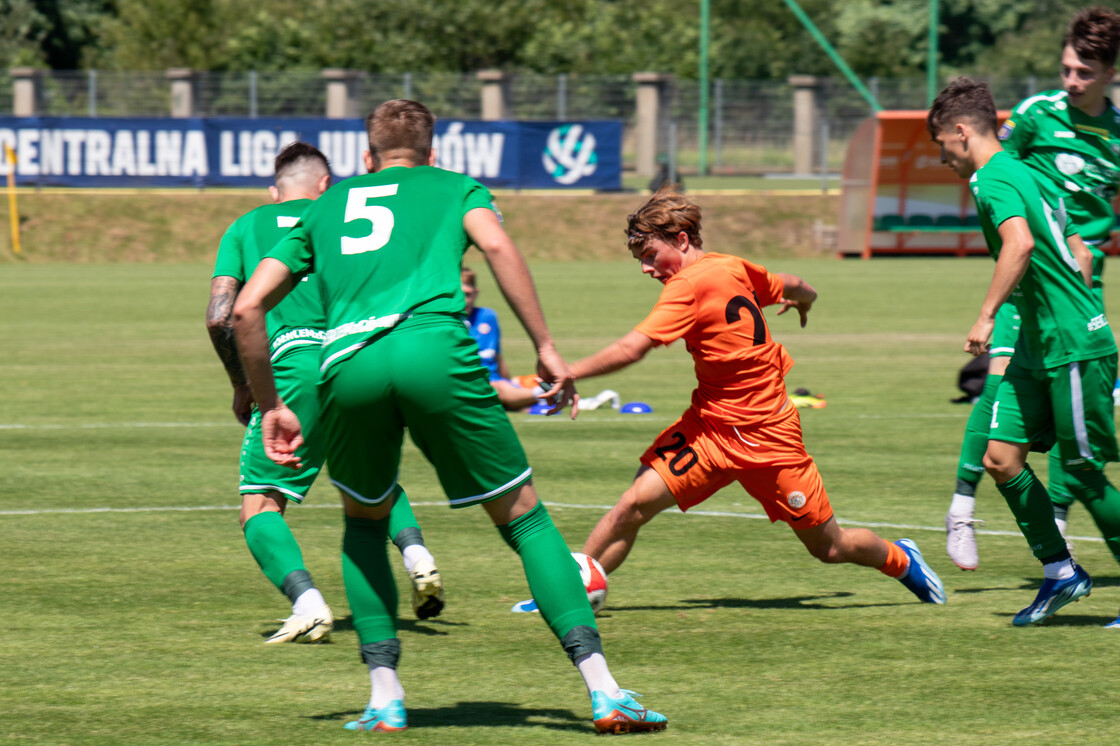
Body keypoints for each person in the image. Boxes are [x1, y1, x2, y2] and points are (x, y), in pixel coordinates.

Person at [230, 100, 666, 734]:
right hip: (436, 350)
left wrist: (270, 405)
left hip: (347, 367)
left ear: (364, 157)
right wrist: (545, 345)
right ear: (432, 155)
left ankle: (385, 698)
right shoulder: (455, 187)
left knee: (362, 525)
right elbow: (497, 245)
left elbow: (245, 310)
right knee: (524, 518)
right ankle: (604, 692)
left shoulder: (327, 207)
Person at [568, 186, 947, 608]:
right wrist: (807, 299)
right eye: (639, 260)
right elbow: (792, 284)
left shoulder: (686, 286)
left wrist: (570, 371)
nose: (645, 268)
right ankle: (567, 593)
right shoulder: (730, 266)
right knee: (631, 506)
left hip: (769, 437)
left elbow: (631, 348)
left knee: (830, 548)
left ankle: (901, 559)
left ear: (681, 240)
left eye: (650, 256)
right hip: (708, 431)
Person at [206, 142, 444, 644]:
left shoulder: (247, 226)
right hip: (356, 360)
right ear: (325, 185)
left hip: (292, 366)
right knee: (366, 477)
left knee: (260, 504)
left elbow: (220, 314)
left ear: (276, 190)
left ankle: (308, 604)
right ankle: (417, 554)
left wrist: (241, 384)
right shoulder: (337, 216)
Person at [927, 76, 1118, 626]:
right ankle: (1061, 572)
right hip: (1042, 343)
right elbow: (1078, 248)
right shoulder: (1029, 170)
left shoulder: (992, 180)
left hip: (1072, 344)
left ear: (961, 133)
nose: (942, 158)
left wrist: (989, 315)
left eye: (941, 144)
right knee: (1001, 458)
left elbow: (1021, 243)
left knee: (1081, 473)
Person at [460, 265, 544, 411]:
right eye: (459, 294)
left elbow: (497, 355)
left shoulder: (487, 316)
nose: (465, 300)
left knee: (505, 390)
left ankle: (532, 395)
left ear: (476, 293)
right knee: (500, 393)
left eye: (468, 294)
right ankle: (542, 394)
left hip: (493, 380)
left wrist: (507, 381)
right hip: (467, 381)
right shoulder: (447, 321)